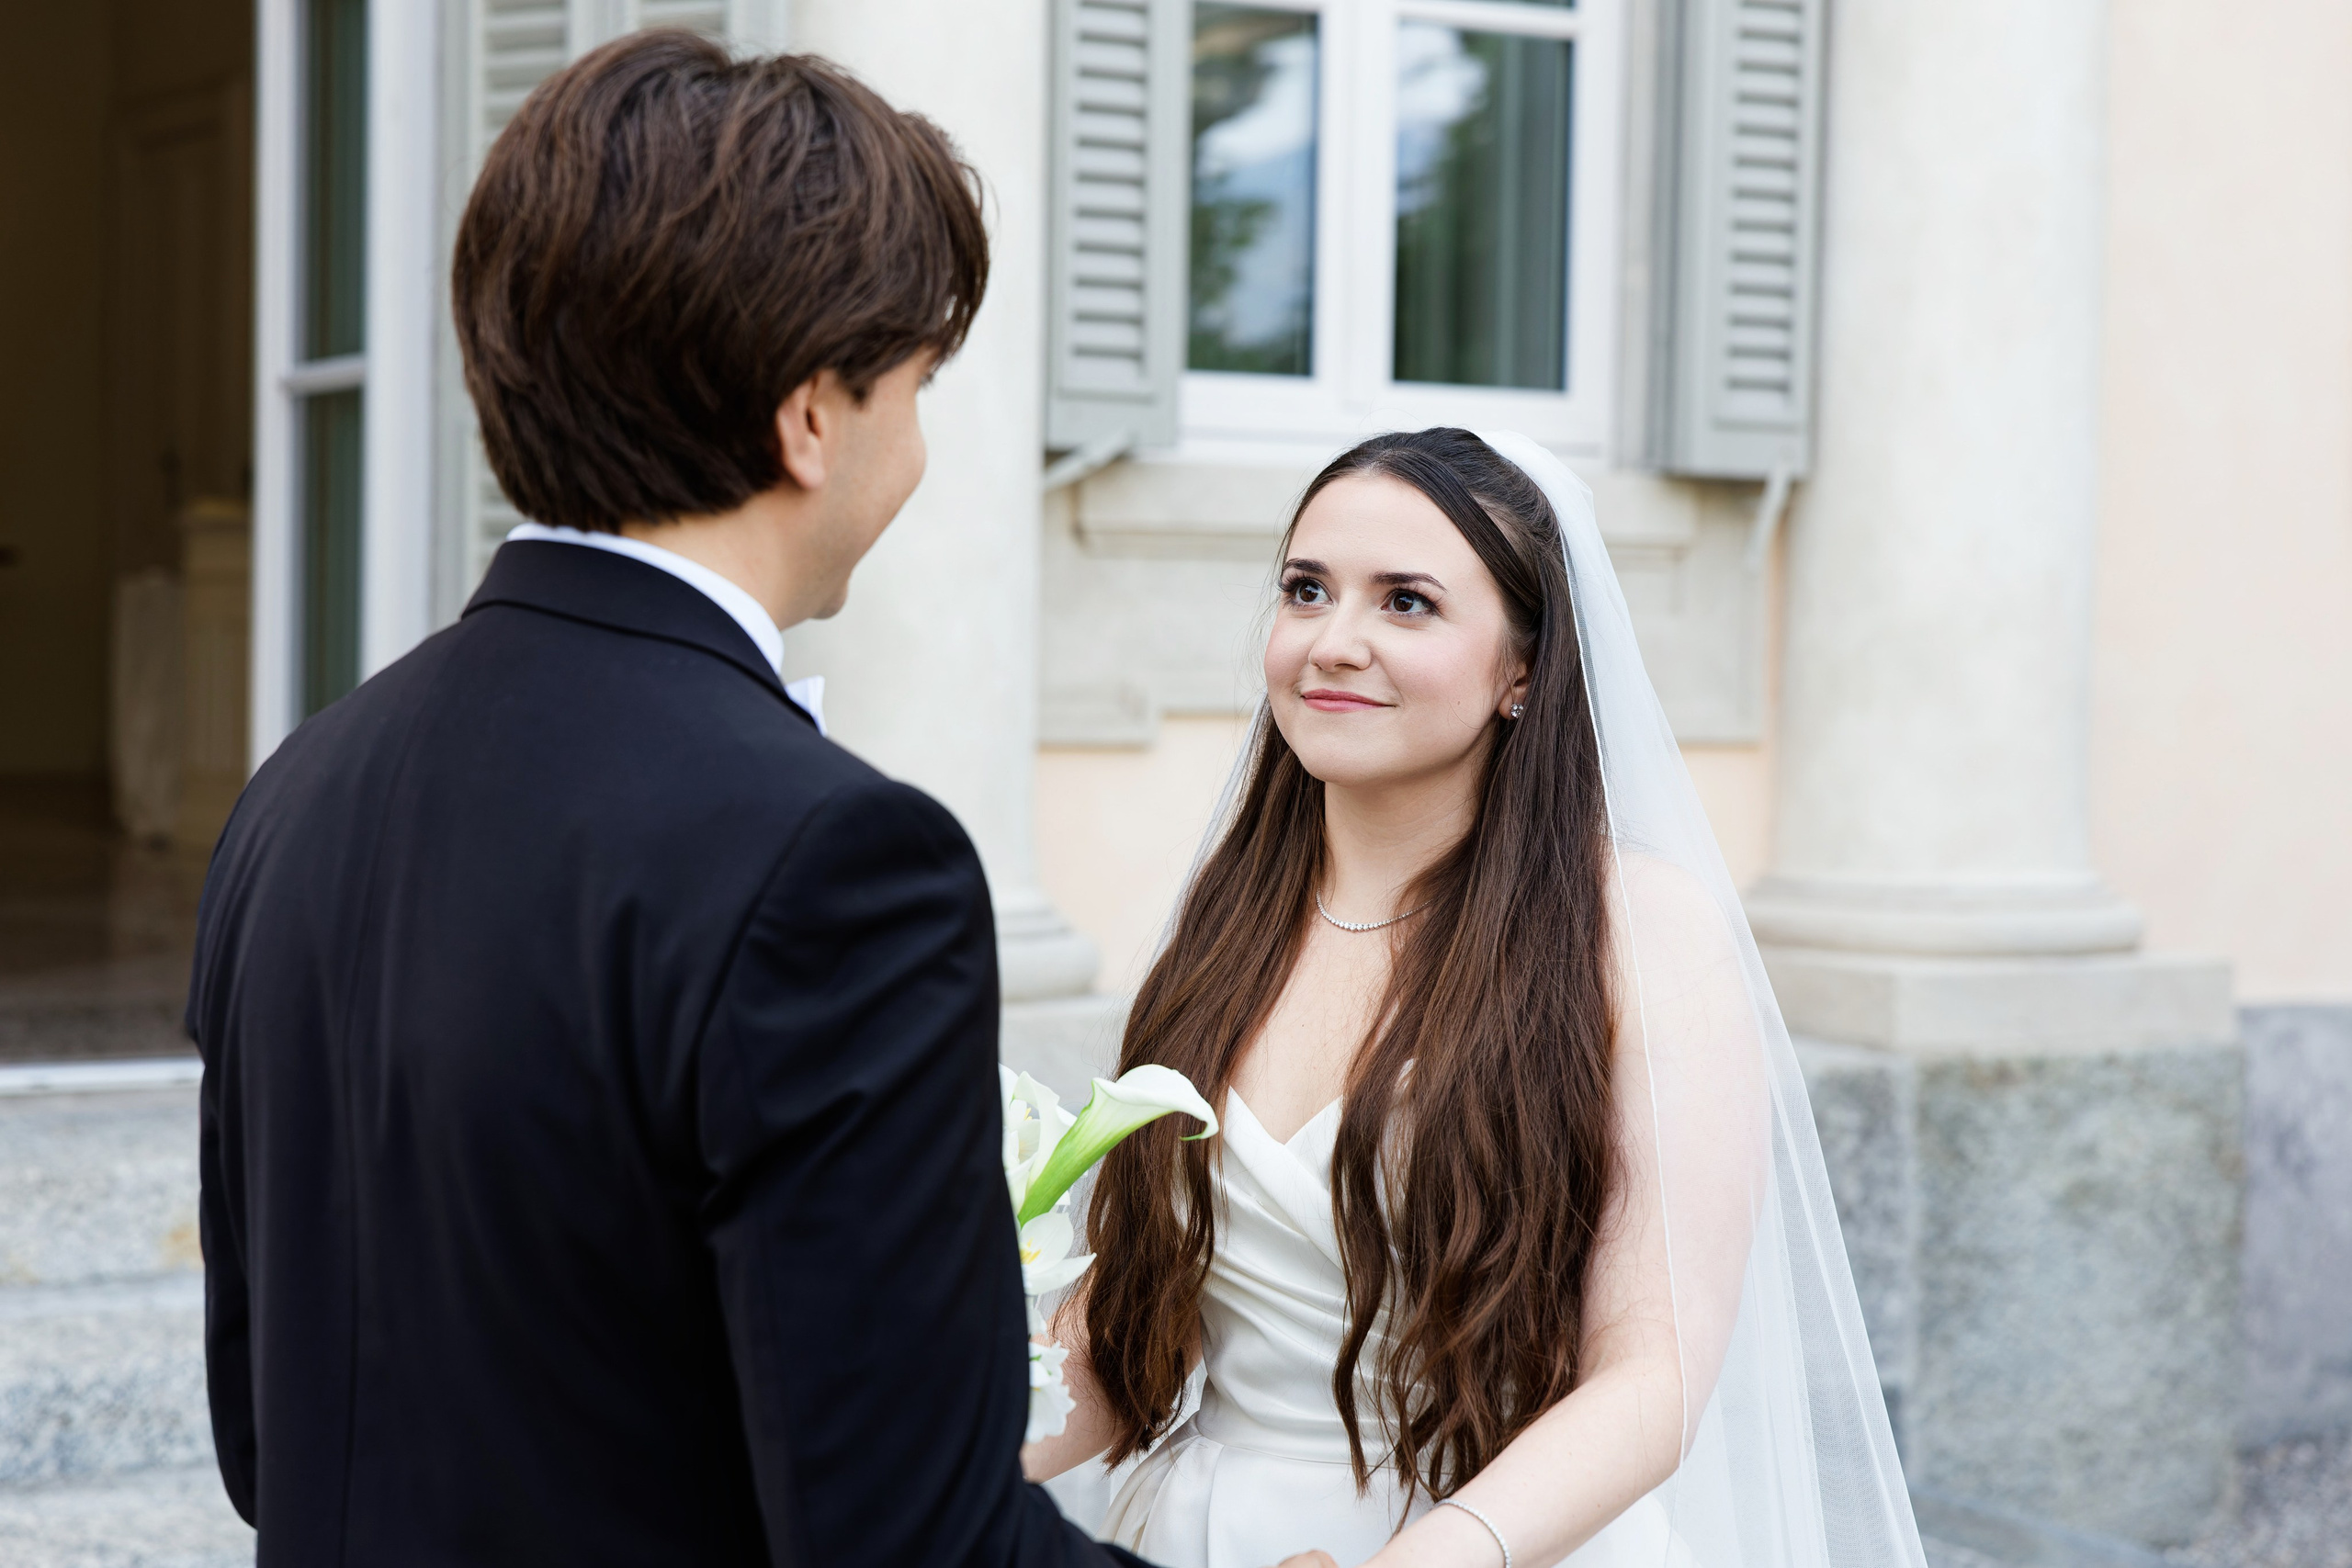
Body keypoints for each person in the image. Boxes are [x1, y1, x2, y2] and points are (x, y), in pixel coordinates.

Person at [187, 33, 1211, 1566]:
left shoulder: (296, 789)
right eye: (918, 384)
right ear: (812, 416)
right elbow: (908, 1546)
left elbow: (267, 1438)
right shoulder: (836, 863)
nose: (921, 443)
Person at [1021, 429, 1929, 1568]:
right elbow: (1129, 1331)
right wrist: (914, 1455)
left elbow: (1656, 1370)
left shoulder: (1636, 932)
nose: (1333, 643)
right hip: (1201, 1537)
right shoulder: (1230, 917)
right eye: (1307, 590)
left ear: (1523, 670)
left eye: (1406, 604)